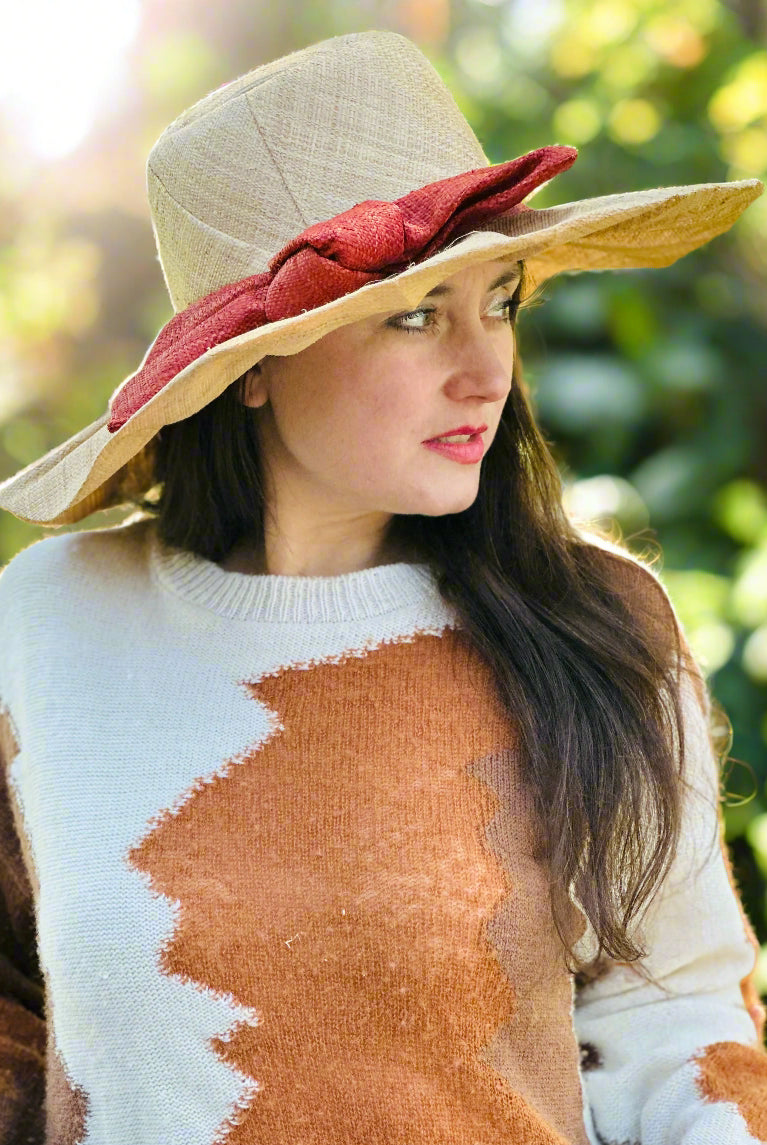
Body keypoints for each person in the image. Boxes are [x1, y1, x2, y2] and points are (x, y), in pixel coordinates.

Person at [0, 27, 764, 1145]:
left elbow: (679, 1024)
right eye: (415, 314)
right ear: (251, 370)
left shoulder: (597, 623)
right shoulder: (50, 620)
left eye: (499, 301)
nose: (486, 368)